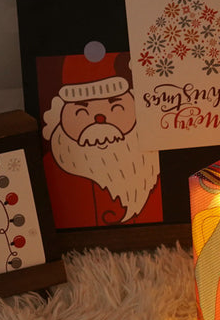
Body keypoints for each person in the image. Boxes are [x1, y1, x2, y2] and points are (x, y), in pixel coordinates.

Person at [40, 51, 162, 228]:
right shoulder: (50, 171)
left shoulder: (153, 164)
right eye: (82, 111)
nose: (99, 119)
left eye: (115, 106)